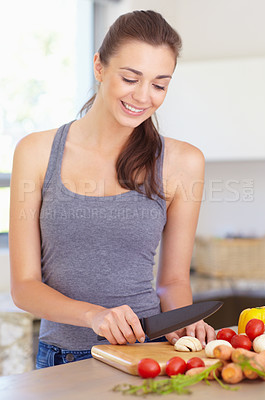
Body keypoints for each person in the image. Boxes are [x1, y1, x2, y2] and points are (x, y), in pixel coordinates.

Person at [9, 10, 215, 369]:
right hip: (62, 359)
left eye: (159, 84)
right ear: (99, 67)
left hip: (147, 354)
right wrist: (94, 316)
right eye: (130, 78)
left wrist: (185, 322)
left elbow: (173, 281)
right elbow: (25, 286)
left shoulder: (184, 162)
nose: (143, 96)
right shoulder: (37, 152)